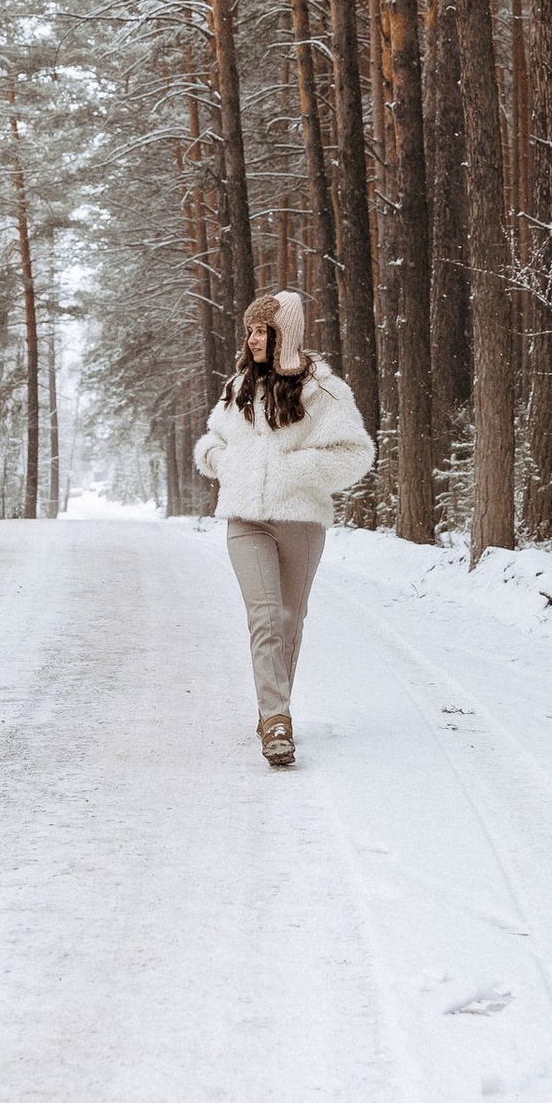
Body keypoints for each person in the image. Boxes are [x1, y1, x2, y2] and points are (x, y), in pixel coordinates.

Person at [192, 289, 375, 766]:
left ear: (284, 335)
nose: (253, 339)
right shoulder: (238, 388)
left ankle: (275, 709)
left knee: (290, 621)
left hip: (300, 520)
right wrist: (221, 460)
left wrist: (295, 472)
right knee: (267, 618)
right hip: (245, 519)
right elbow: (210, 440)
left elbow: (357, 452)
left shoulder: (324, 390)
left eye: (262, 331)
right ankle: (276, 719)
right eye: (250, 330)